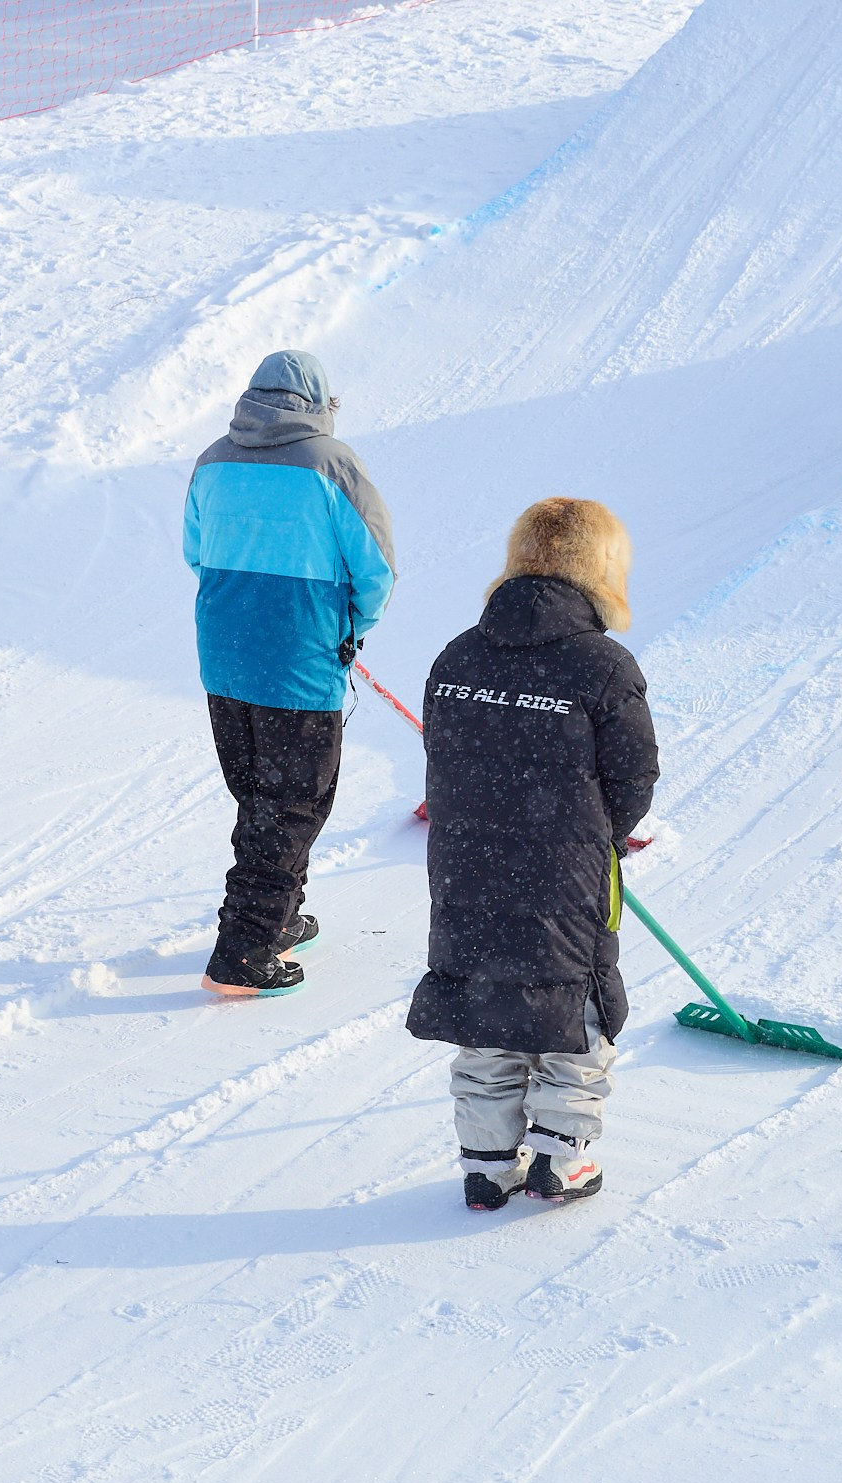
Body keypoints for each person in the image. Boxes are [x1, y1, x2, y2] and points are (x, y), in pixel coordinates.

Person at [408, 498, 659, 1208]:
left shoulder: (458, 655)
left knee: (486, 1006)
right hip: (564, 874)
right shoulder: (601, 666)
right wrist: (598, 835)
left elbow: (444, 756)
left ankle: (486, 1164)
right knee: (572, 1004)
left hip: (464, 867)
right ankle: (562, 1157)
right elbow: (633, 776)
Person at [184, 349, 394, 997]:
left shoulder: (212, 460)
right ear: (318, 404)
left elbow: (196, 553)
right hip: (298, 662)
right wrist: (347, 631)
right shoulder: (333, 466)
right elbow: (376, 569)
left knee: (261, 798)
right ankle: (243, 954)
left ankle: (273, 918)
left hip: (223, 658)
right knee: (293, 805)